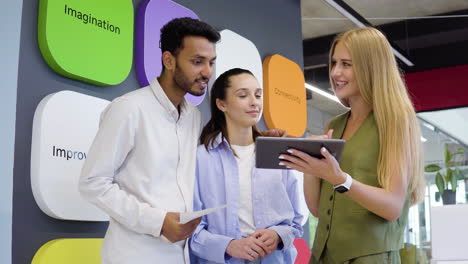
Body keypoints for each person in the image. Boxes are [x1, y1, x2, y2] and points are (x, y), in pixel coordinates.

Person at [79, 17, 220, 264]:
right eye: (197, 62)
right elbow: (92, 183)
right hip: (134, 254)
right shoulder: (129, 109)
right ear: (168, 60)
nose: (207, 72)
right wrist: (158, 222)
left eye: (211, 62)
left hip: (181, 255)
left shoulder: (193, 117)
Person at [279, 27, 426, 264]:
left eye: (346, 64)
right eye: (334, 63)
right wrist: (310, 167)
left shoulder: (396, 121)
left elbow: (392, 207)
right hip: (324, 256)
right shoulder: (335, 125)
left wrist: (340, 179)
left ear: (371, 67)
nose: (336, 72)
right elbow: (317, 209)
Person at [190, 68, 306, 264]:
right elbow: (191, 229)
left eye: (258, 95)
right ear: (221, 104)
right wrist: (228, 246)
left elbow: (295, 221)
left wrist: (277, 235)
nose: (254, 102)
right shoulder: (201, 159)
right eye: (243, 95)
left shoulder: (276, 154)